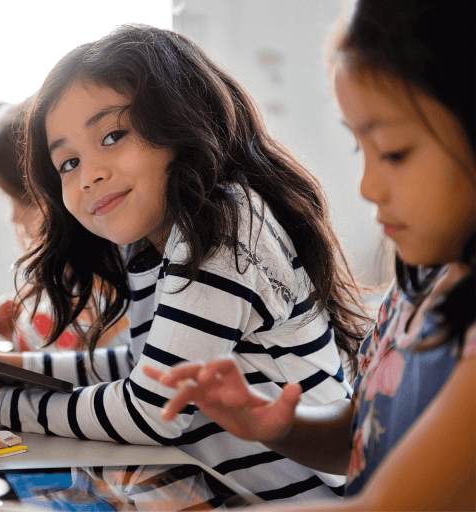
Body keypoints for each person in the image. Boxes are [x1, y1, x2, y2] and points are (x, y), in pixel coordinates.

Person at [0, 24, 372, 502]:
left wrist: (0, 402)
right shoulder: (151, 241)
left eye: (112, 135)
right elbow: (143, 366)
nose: (89, 173)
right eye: (68, 163)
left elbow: (152, 410)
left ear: (181, 122)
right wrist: (5, 365)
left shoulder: (222, 225)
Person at [144, 1, 476, 510]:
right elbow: (361, 435)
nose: (367, 185)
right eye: (357, 148)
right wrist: (272, 423)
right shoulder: (417, 289)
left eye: (392, 151)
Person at [0, 99, 129, 353]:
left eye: (18, 199)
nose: (13, 219)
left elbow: (79, 372)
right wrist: (16, 333)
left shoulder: (117, 300)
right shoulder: (64, 283)